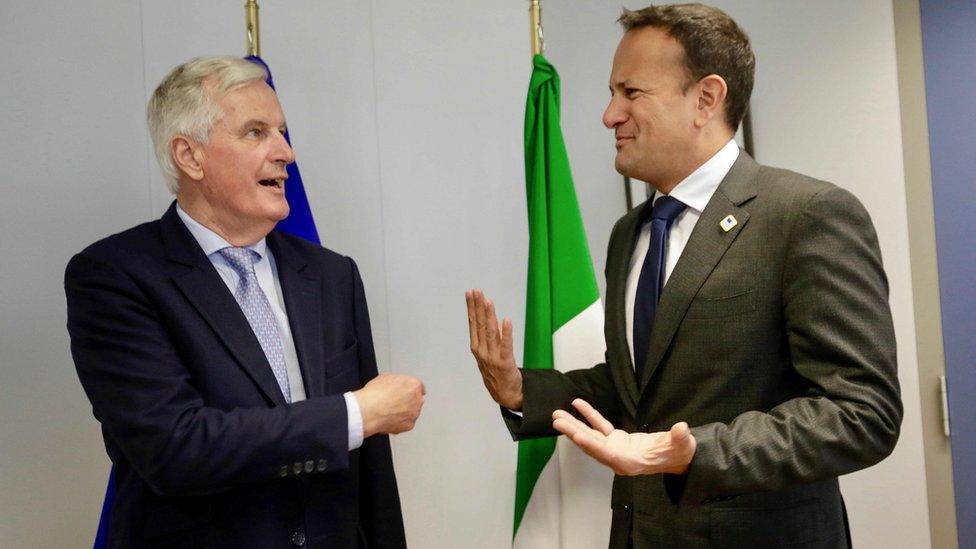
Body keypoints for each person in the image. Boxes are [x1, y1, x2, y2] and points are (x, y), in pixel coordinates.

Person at [466, 4, 902, 547]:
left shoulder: (806, 215)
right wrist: (521, 390)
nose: (609, 115)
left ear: (706, 99)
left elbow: (862, 413)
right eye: (611, 93)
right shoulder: (629, 233)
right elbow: (639, 388)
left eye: (631, 93)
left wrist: (696, 450)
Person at [65, 56, 423, 548]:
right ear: (190, 157)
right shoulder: (115, 276)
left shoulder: (331, 273)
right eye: (256, 133)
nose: (286, 153)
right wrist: (354, 415)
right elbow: (176, 447)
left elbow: (371, 472)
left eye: (282, 131)